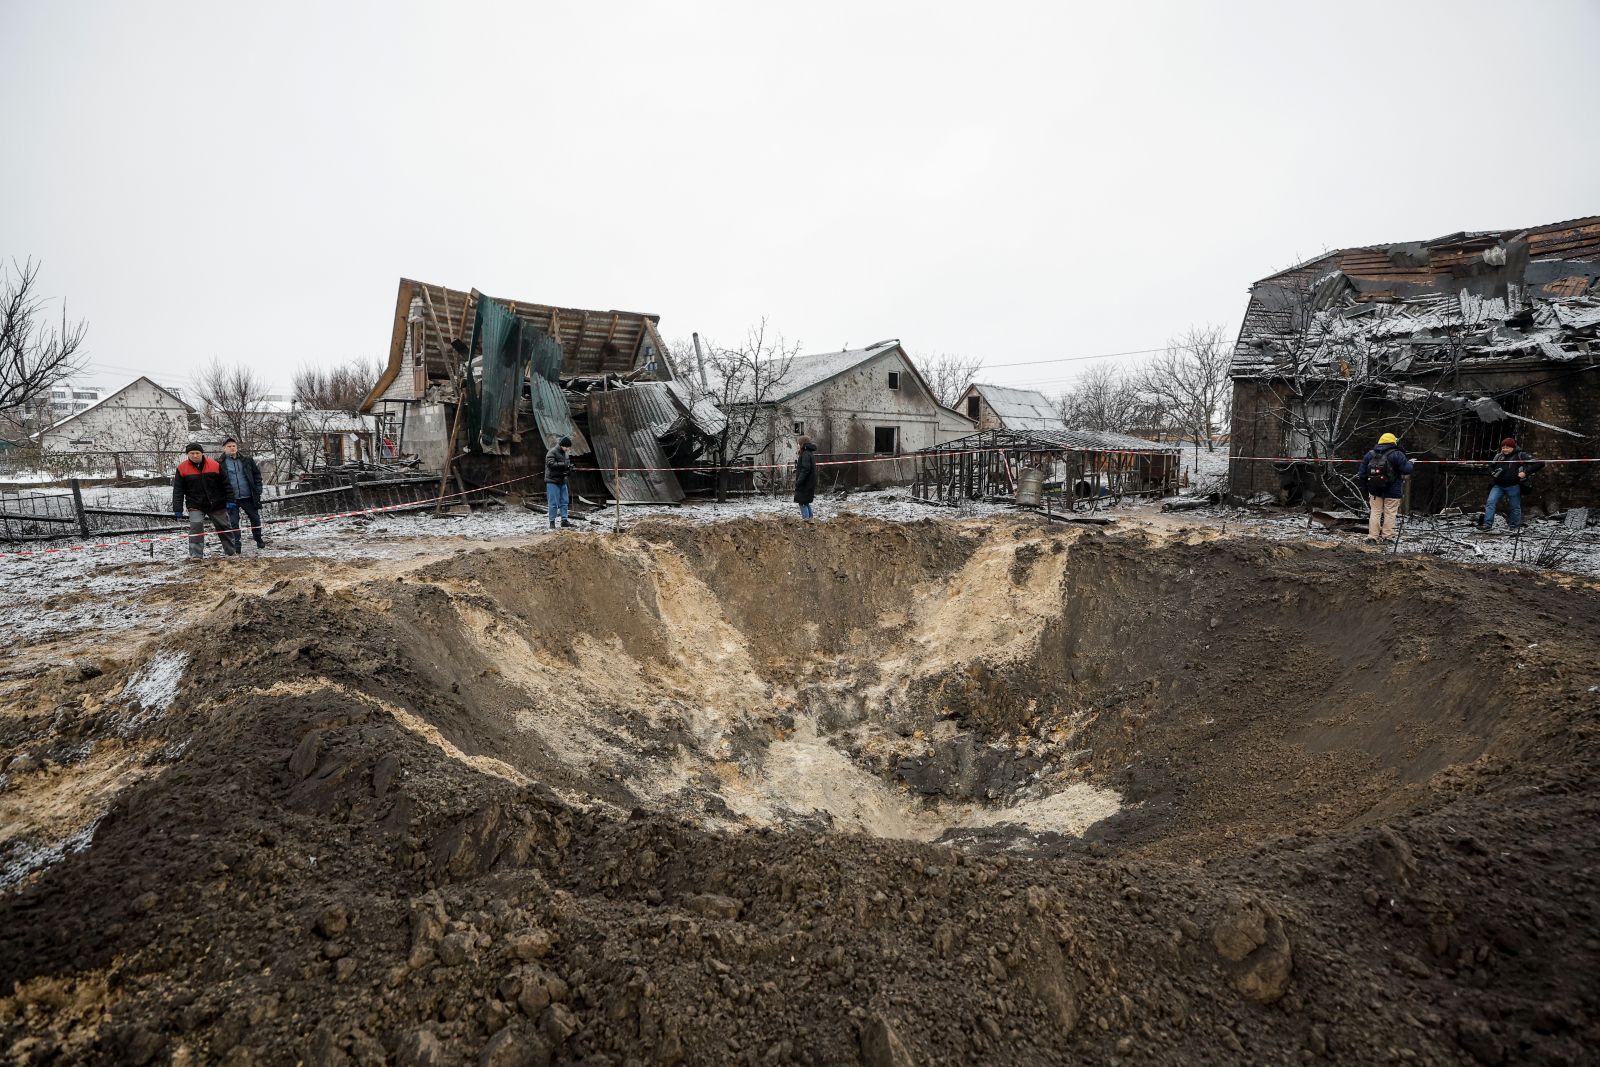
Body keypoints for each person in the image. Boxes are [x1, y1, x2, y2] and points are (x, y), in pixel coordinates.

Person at [171, 442, 238, 559]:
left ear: (202, 453)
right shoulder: (182, 468)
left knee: (224, 526)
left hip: (217, 502)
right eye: (192, 453)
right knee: (196, 528)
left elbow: (226, 484)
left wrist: (230, 499)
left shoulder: (215, 465)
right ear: (188, 454)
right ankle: (196, 556)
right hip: (195, 504)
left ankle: (231, 552)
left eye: (198, 453)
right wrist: (177, 508)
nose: (195, 455)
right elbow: (178, 490)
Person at [1355, 432, 1413, 543]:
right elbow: (1407, 470)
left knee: (1375, 512)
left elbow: (1362, 474)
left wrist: (1366, 488)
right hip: (1393, 490)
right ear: (1393, 442)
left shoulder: (1370, 454)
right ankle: (1387, 537)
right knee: (1390, 513)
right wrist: (1410, 463)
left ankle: (1372, 537)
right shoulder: (1397, 454)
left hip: (1375, 490)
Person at [1480, 437, 1543, 533]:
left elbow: (1540, 463)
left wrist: (1526, 473)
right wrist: (1492, 472)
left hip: (1513, 485)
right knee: (1490, 502)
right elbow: (1490, 466)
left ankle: (1514, 527)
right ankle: (1487, 525)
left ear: (1513, 447)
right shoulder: (1498, 456)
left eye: (1507, 447)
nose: (1505, 449)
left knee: (1515, 506)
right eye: (1503, 447)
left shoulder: (1521, 455)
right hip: (1498, 485)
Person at [220, 437, 266, 551]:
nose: (232, 448)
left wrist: (258, 490)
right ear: (224, 448)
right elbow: (218, 481)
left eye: (234, 446)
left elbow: (257, 476)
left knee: (255, 519)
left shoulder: (247, 460)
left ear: (237, 447)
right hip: (231, 499)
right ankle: (237, 544)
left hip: (248, 496)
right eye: (229, 446)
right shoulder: (220, 463)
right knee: (233, 522)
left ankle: (258, 539)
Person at [545, 436, 573, 529]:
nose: (568, 449)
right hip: (552, 481)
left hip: (562, 480)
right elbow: (550, 464)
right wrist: (564, 465)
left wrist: (569, 469)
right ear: (562, 445)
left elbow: (566, 465)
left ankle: (564, 520)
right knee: (553, 503)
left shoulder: (565, 454)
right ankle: (552, 522)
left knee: (564, 501)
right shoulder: (552, 452)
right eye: (567, 447)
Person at [793, 435, 817, 519]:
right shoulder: (808, 453)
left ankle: (806, 521)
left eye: (799, 444)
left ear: (802, 444)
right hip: (808, 483)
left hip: (805, 484)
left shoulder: (806, 454)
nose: (798, 445)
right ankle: (811, 520)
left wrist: (799, 481)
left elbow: (805, 470)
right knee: (805, 502)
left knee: (802, 502)